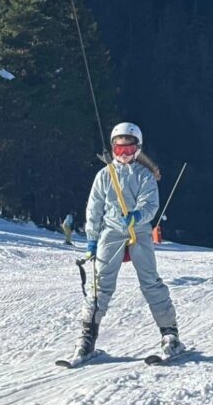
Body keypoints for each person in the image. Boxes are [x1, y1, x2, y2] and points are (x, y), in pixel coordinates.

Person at [71, 122, 181, 362]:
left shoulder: (144, 176)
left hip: (138, 231)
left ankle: (170, 334)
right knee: (100, 285)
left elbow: (150, 204)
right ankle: (87, 338)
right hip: (111, 231)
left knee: (150, 281)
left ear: (138, 149)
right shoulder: (104, 176)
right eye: (119, 150)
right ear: (112, 149)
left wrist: (138, 216)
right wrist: (92, 239)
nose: (123, 155)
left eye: (128, 150)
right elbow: (94, 208)